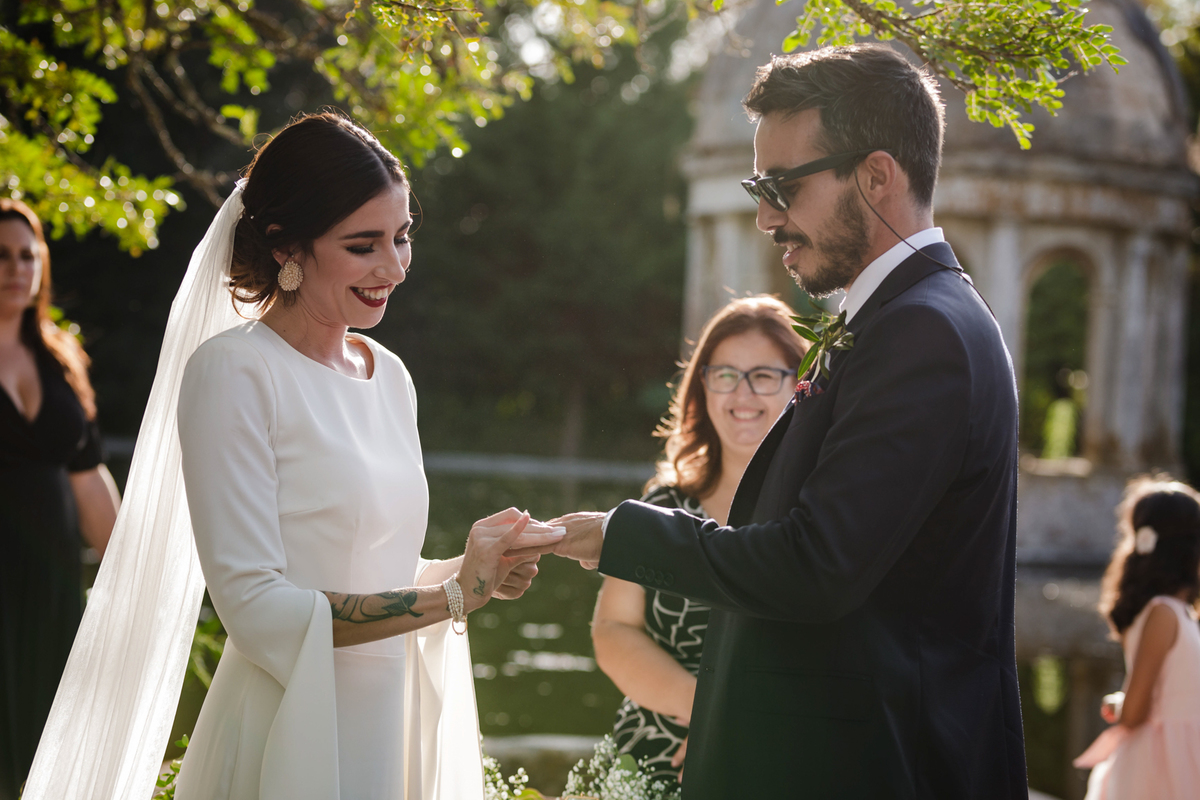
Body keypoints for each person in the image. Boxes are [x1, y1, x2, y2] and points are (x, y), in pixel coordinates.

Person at [522, 44, 1028, 798]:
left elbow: (816, 567)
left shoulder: (924, 333)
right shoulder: (898, 320)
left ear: (877, 174)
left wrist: (619, 535)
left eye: (782, 186)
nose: (766, 217)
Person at [21, 113, 562, 800]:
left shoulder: (389, 375)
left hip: (388, 727)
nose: (393, 267)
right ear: (287, 248)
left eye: (402, 237)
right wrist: (451, 596)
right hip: (288, 734)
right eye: (363, 245)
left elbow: (385, 570)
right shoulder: (234, 373)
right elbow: (253, 605)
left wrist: (476, 567)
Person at [592, 295, 806, 784]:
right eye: (726, 374)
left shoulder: (823, 514)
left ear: (802, 387)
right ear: (703, 387)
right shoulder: (663, 504)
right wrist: (708, 712)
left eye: (765, 375)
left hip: (780, 753)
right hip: (652, 754)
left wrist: (743, 728)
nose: (742, 394)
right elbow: (613, 630)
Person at [0, 199, 121, 800]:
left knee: (48, 768)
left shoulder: (60, 359)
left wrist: (130, 574)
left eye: (27, 254)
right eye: (1, 254)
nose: (16, 267)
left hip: (52, 593)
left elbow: (85, 471)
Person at [1073, 477, 1200, 799]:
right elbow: (1135, 713)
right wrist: (1122, 705)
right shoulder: (1162, 614)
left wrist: (1122, 702)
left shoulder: (1181, 612)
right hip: (1161, 762)